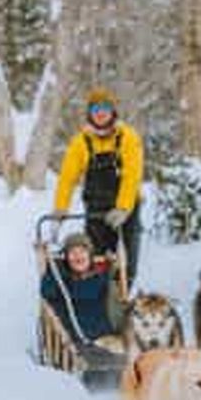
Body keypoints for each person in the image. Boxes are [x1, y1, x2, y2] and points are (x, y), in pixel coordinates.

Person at [50, 87, 143, 287]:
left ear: (112, 111)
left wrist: (123, 208)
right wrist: (60, 209)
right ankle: (99, 301)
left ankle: (121, 298)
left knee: (127, 263)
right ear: (90, 113)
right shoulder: (81, 142)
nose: (100, 113)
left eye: (105, 108)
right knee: (97, 261)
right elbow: (67, 178)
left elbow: (132, 175)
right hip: (96, 210)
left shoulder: (127, 137)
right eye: (95, 109)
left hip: (127, 210)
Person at [40, 232, 123, 344]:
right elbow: (47, 291)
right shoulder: (61, 279)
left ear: (90, 255)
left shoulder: (101, 274)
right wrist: (50, 264)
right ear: (66, 258)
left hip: (112, 334)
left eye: (83, 251)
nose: (78, 256)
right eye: (72, 253)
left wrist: (110, 266)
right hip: (83, 338)